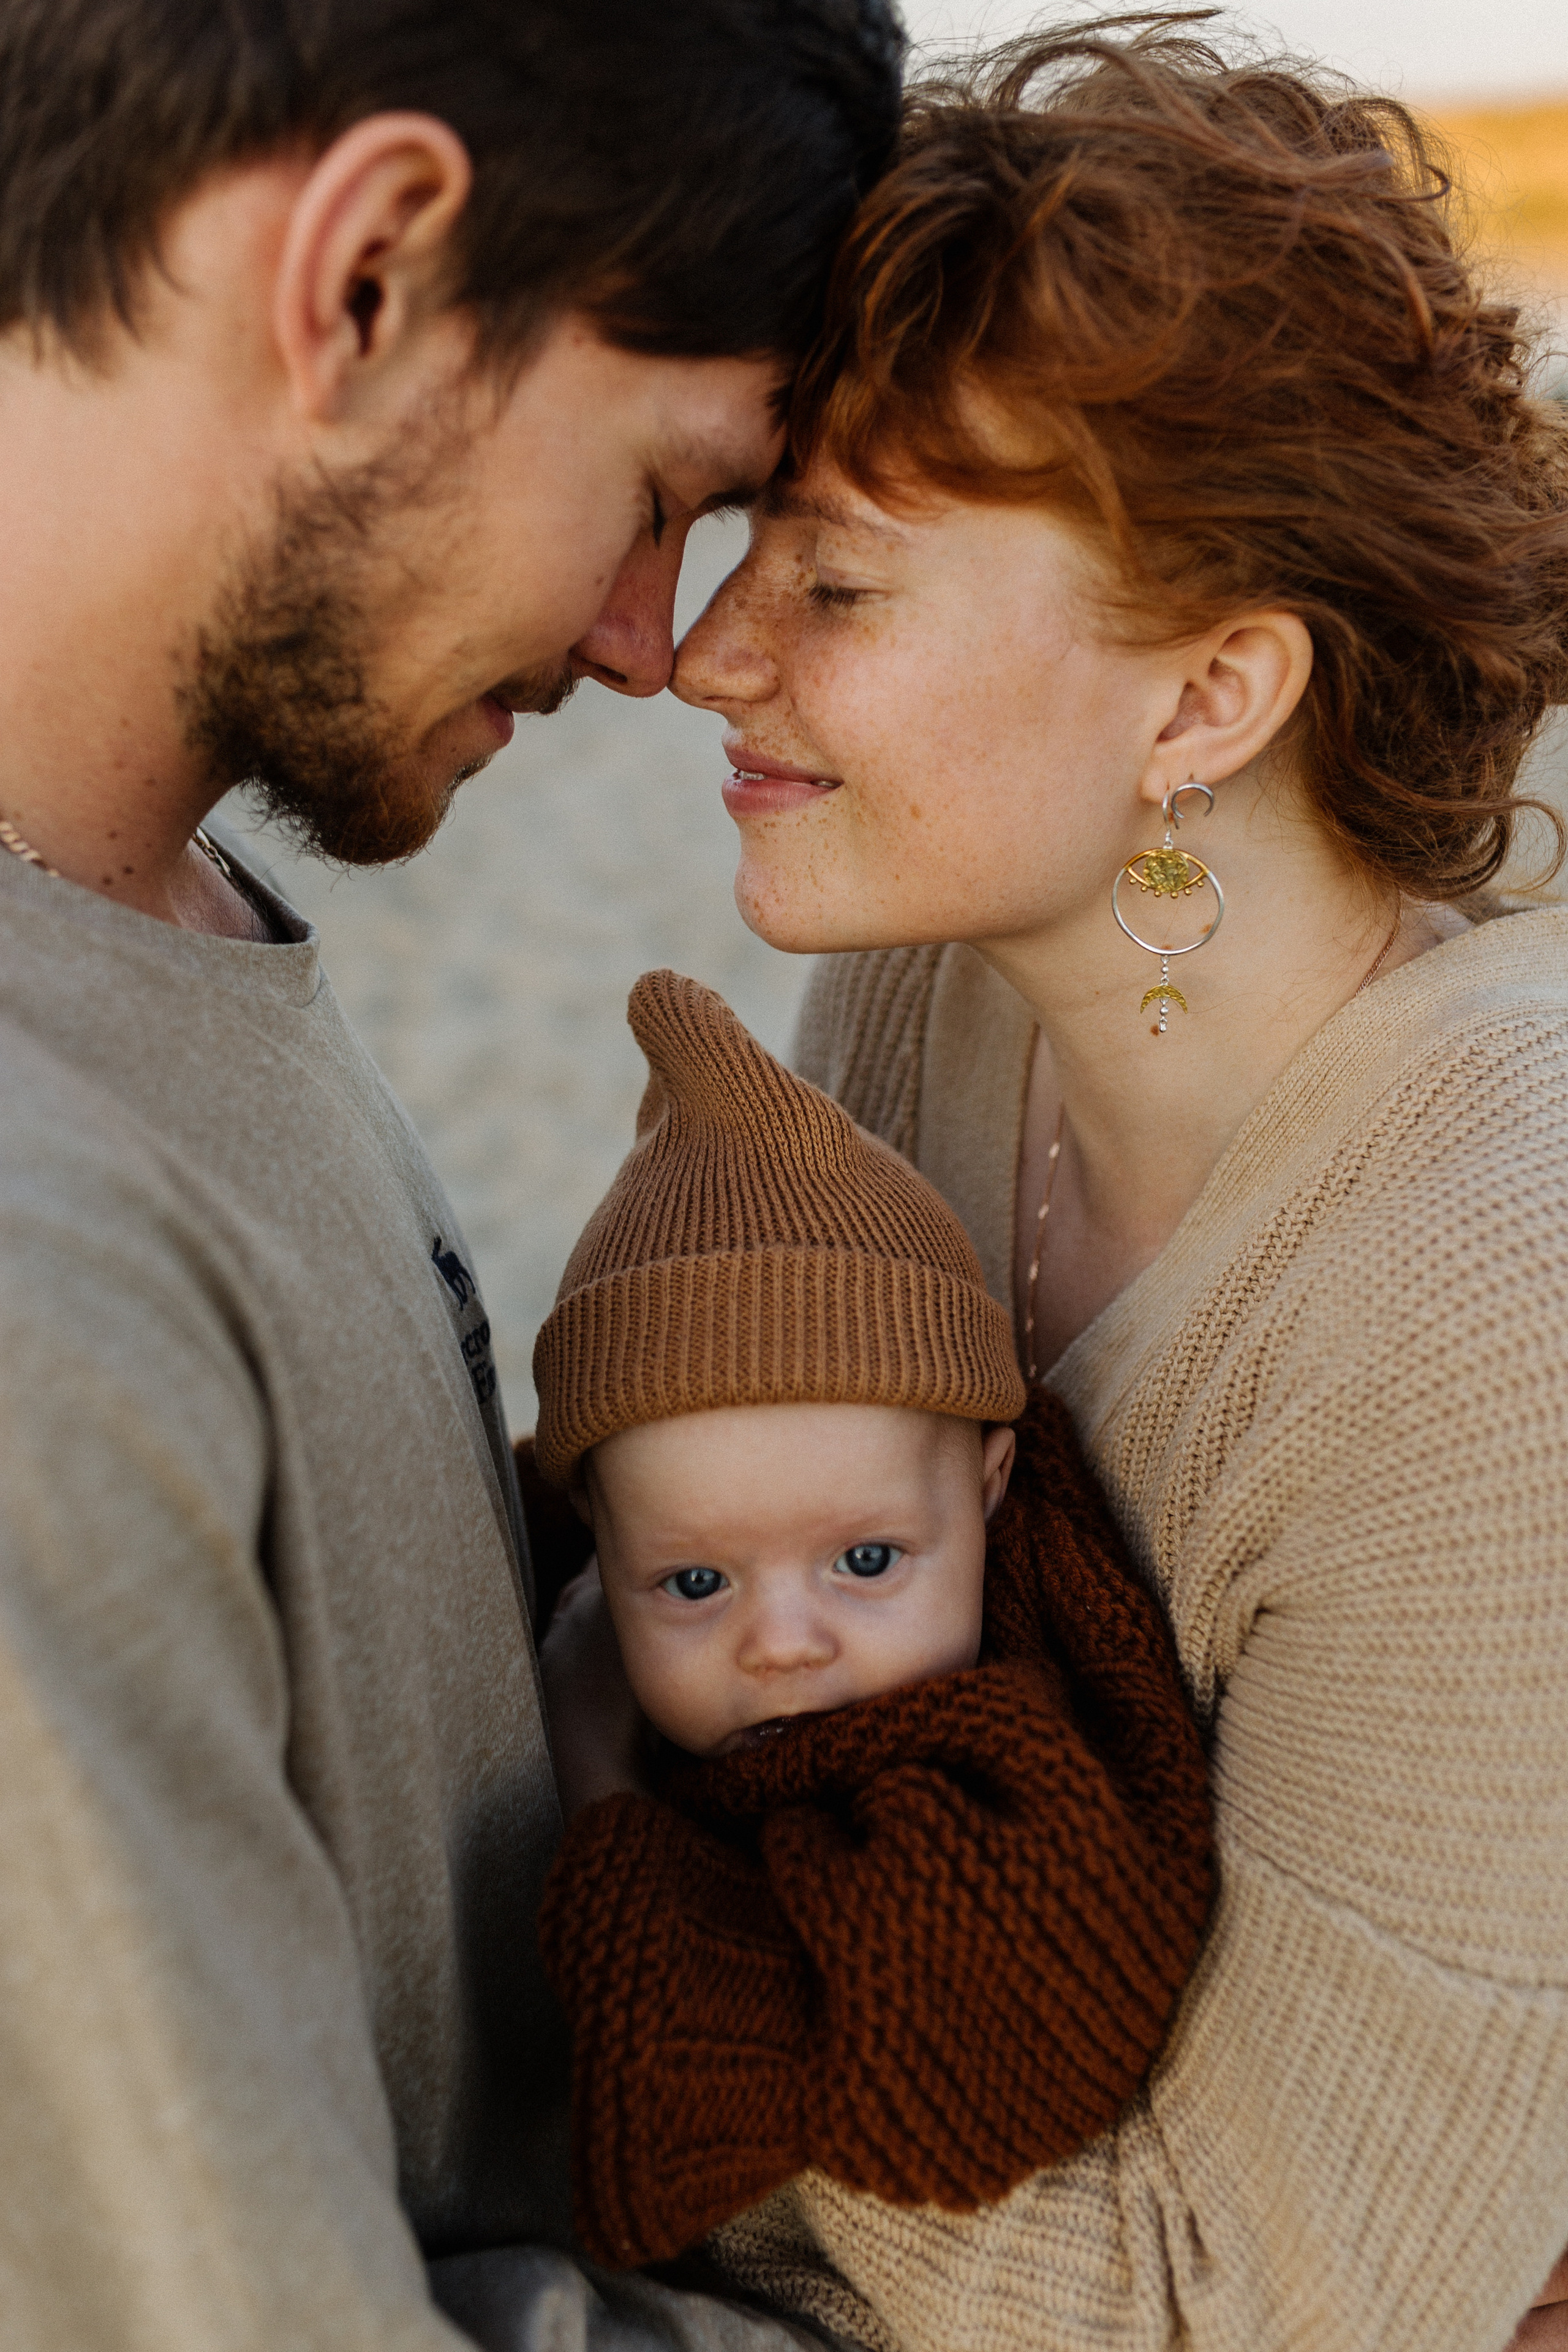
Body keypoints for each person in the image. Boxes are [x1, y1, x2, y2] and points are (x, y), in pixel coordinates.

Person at [0, 4, 904, 2348]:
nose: (661, 647)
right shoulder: (31, 1249)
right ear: (372, 269)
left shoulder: (149, 932)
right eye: (658, 493)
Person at [663, 19, 1568, 2351]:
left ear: (1205, 702)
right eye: (743, 544)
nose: (706, 659)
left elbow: (1238, 2310)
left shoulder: (1492, 1295)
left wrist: (705, 2039)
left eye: (836, 590)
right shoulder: (934, 995)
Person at [526, 967, 1212, 2272]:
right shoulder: (632, 1583)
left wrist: (594, 1778)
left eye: (863, 1558)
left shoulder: (1001, 1771)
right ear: (597, 1554)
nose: (782, 1641)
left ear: (992, 1486)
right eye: (690, 1584)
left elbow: (980, 2095)